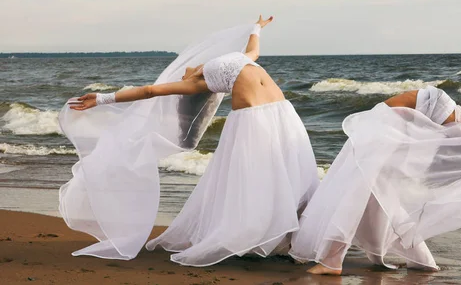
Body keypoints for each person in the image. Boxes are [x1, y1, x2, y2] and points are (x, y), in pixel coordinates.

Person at [61, 16, 320, 265]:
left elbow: (253, 51)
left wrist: (257, 27)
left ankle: (291, 235)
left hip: (284, 113)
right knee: (261, 175)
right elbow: (150, 91)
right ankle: (265, 233)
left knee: (290, 172)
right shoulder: (198, 82)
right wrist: (103, 99)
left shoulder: (239, 60)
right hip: (254, 119)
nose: (184, 72)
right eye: (184, 75)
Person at [290, 85, 461, 275]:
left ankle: (333, 260)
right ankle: (418, 261)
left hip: (398, 121)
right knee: (368, 185)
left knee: (360, 184)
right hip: (405, 116)